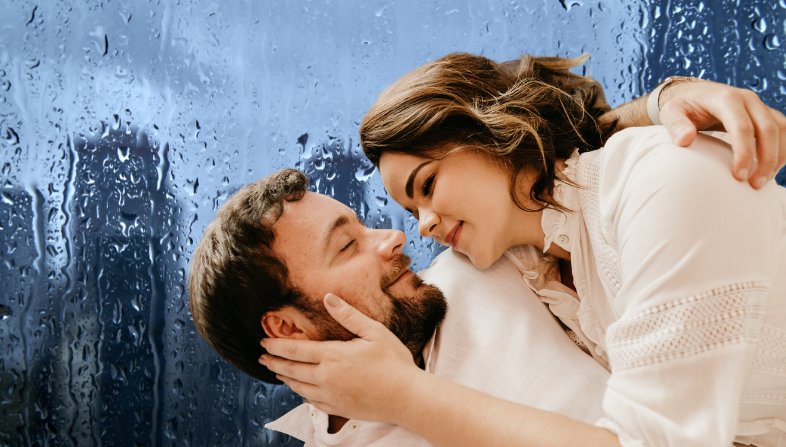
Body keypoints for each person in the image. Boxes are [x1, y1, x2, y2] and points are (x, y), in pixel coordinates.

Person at [258, 54, 786, 447]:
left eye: (428, 185)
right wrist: (656, 103)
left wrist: (402, 395)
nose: (422, 226)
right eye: (412, 210)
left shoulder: (660, 184)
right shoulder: (536, 259)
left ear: (493, 129)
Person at [189, 169, 610, 446]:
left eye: (362, 226)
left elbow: (598, 173)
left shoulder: (477, 265)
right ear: (289, 329)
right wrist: (401, 395)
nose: (393, 237)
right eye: (347, 245)